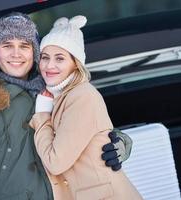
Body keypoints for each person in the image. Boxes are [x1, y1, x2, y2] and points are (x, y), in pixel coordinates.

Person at [0, 12, 133, 200]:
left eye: (24, 46)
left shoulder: (54, 87)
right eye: (7, 45)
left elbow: (87, 127)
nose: (16, 53)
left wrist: (119, 143)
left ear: (34, 51)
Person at [30, 15, 142, 200]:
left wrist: (42, 115)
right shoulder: (59, 96)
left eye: (60, 58)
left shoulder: (81, 96)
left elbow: (55, 162)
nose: (49, 65)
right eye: (45, 58)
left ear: (76, 63)